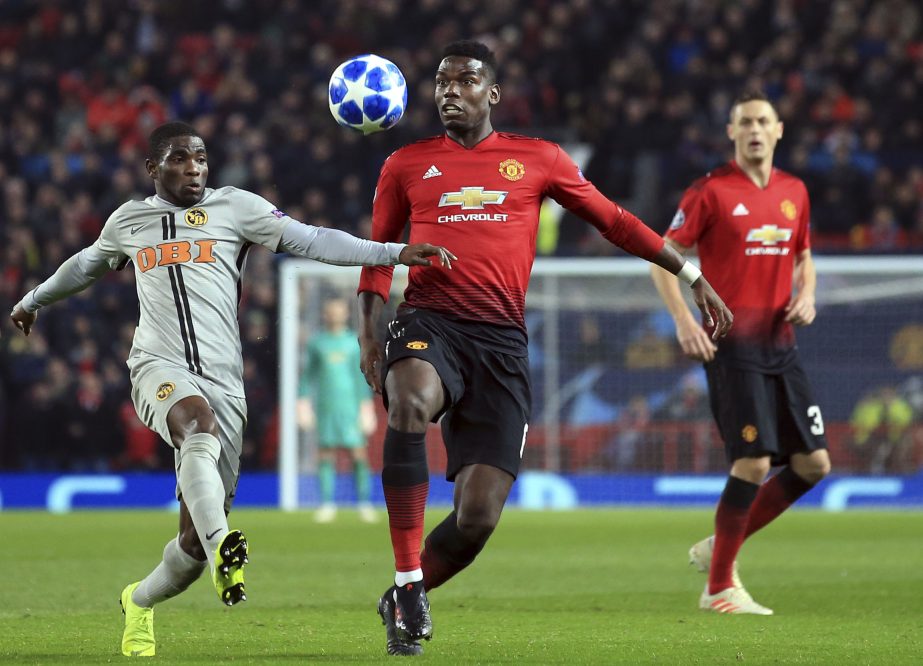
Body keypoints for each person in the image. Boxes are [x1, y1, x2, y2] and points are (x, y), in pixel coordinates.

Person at [9, 121, 454, 658]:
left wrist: (391, 253)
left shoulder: (235, 208)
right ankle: (227, 546)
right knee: (195, 426)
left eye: (199, 158)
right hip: (158, 365)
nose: (193, 168)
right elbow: (85, 265)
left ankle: (140, 598)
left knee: (189, 552)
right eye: (179, 159)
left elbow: (311, 239)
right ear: (153, 169)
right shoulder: (129, 221)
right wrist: (33, 299)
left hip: (226, 383)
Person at [357, 40, 733, 656]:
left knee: (477, 520)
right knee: (408, 404)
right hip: (430, 320)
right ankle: (406, 581)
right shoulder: (405, 164)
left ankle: (408, 589)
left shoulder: (538, 159)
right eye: (442, 82)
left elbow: (614, 220)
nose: (451, 91)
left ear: (493, 93)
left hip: (501, 343)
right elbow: (378, 254)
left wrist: (691, 275)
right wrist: (369, 331)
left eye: (466, 81)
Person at [650, 90, 832, 616]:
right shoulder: (709, 192)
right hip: (732, 347)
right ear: (731, 132)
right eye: (745, 122)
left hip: (782, 345)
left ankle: (720, 544)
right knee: (752, 463)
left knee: (813, 464)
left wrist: (809, 293)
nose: (754, 129)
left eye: (763, 121)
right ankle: (719, 586)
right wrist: (684, 320)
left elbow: (805, 256)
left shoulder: (795, 191)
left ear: (779, 131)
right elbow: (661, 258)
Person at [297, 296, 378, 523]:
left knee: (358, 453)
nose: (335, 314)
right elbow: (308, 375)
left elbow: (360, 376)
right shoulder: (317, 343)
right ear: (325, 314)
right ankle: (327, 503)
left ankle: (364, 503)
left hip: (350, 406)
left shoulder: (354, 342)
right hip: (326, 406)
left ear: (345, 314)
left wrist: (366, 406)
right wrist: (302, 402)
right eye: (331, 311)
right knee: (326, 452)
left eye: (338, 310)